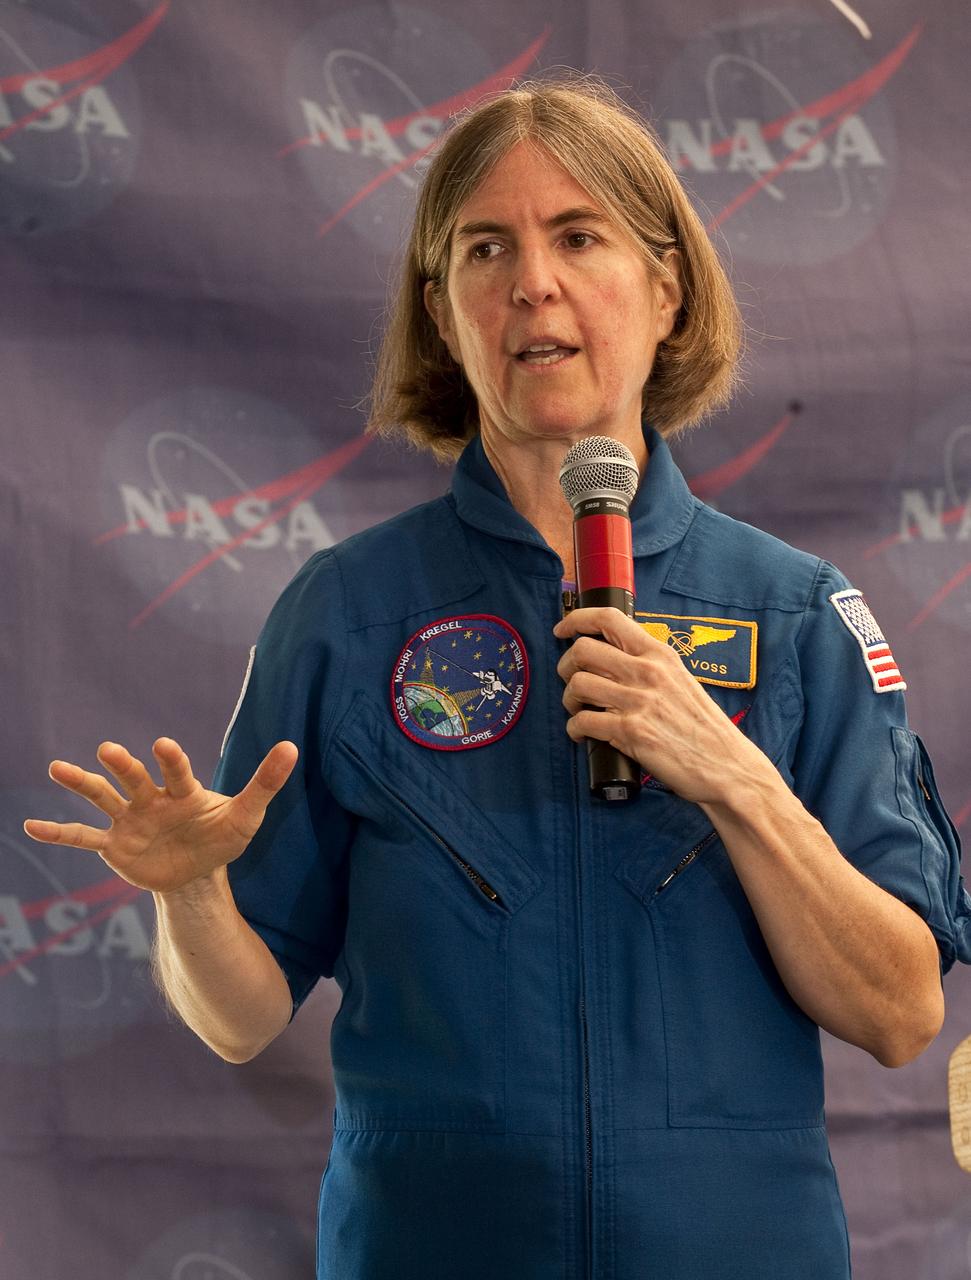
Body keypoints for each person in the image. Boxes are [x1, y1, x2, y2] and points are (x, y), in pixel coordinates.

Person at [25, 76, 971, 1280]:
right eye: (486, 248)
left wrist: (732, 773)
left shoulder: (792, 614)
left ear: (665, 288)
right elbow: (241, 1016)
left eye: (578, 235)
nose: (533, 281)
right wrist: (191, 894)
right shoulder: (346, 614)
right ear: (443, 309)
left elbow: (898, 1012)